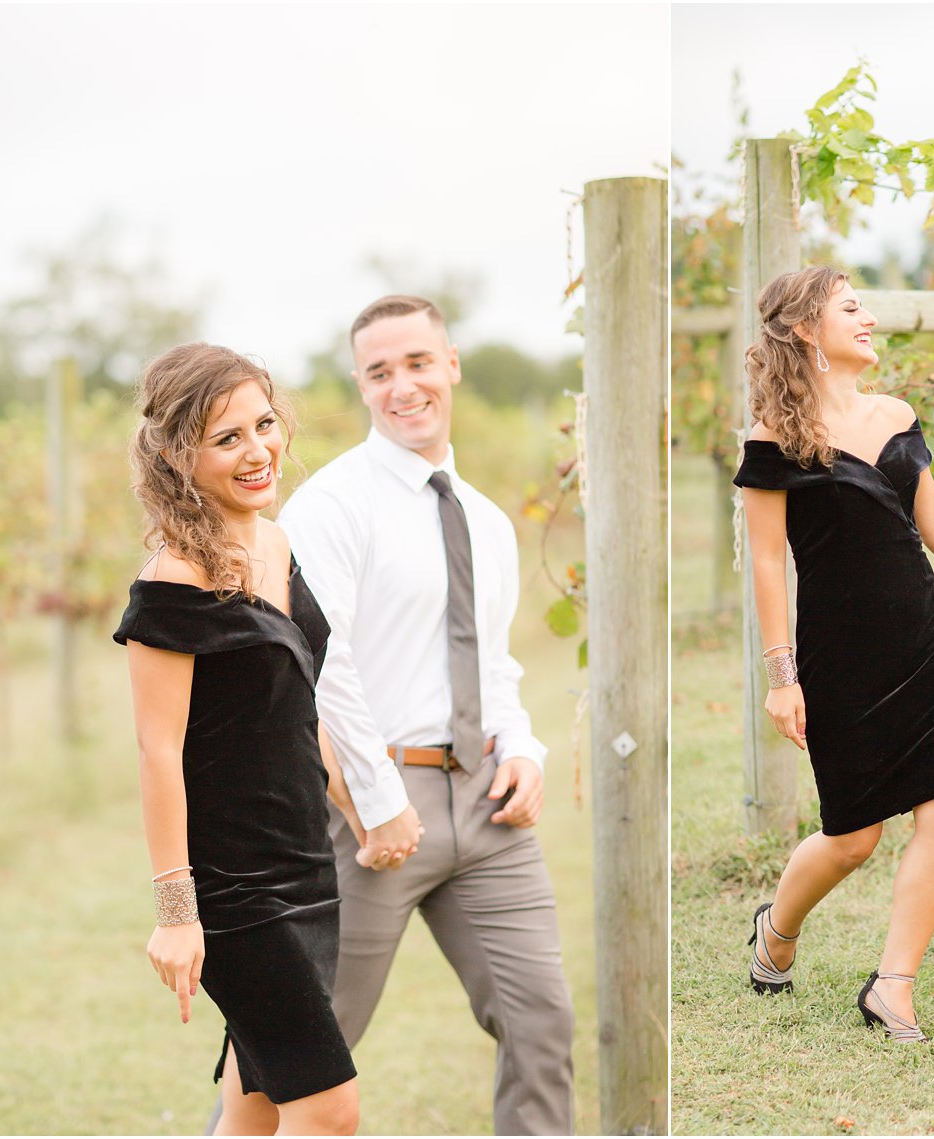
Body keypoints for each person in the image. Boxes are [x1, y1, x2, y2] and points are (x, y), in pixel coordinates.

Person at [277, 295, 575, 1134]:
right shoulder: (330, 506)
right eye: (379, 372)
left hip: (486, 811)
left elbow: (494, 660)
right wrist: (377, 803)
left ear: (450, 364)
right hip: (365, 815)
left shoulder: (484, 518)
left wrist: (521, 746)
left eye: (417, 363)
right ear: (361, 385)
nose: (402, 385)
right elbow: (320, 669)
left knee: (541, 1022)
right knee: (300, 1046)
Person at [732, 266, 934, 1043]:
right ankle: (776, 932)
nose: (870, 319)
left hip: (921, 637)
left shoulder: (898, 414)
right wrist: (782, 677)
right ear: (807, 328)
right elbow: (766, 561)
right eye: (852, 308)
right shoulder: (772, 438)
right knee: (854, 835)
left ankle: (894, 985)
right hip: (836, 654)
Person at [116, 343, 363, 1135]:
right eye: (227, 439)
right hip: (236, 887)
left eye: (264, 425)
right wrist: (176, 911)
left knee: (254, 1105)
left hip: (304, 860)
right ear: (179, 455)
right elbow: (159, 750)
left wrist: (355, 809)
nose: (258, 451)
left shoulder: (275, 543)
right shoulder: (173, 579)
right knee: (328, 1110)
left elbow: (294, 706)